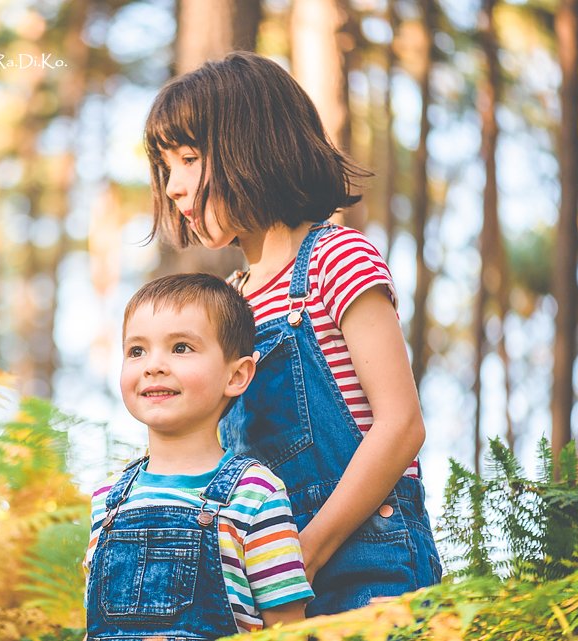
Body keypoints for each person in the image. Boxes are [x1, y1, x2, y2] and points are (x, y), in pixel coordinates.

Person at [143, 51, 442, 617]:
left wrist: (308, 550)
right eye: (166, 165)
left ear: (253, 146)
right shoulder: (224, 308)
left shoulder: (337, 257)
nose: (176, 186)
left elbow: (401, 424)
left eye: (189, 157)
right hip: (262, 584)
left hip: (367, 569)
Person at [84, 273, 313, 640]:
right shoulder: (107, 501)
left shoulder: (254, 494)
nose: (152, 365)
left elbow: (288, 629)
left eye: (180, 348)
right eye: (136, 351)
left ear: (236, 376)